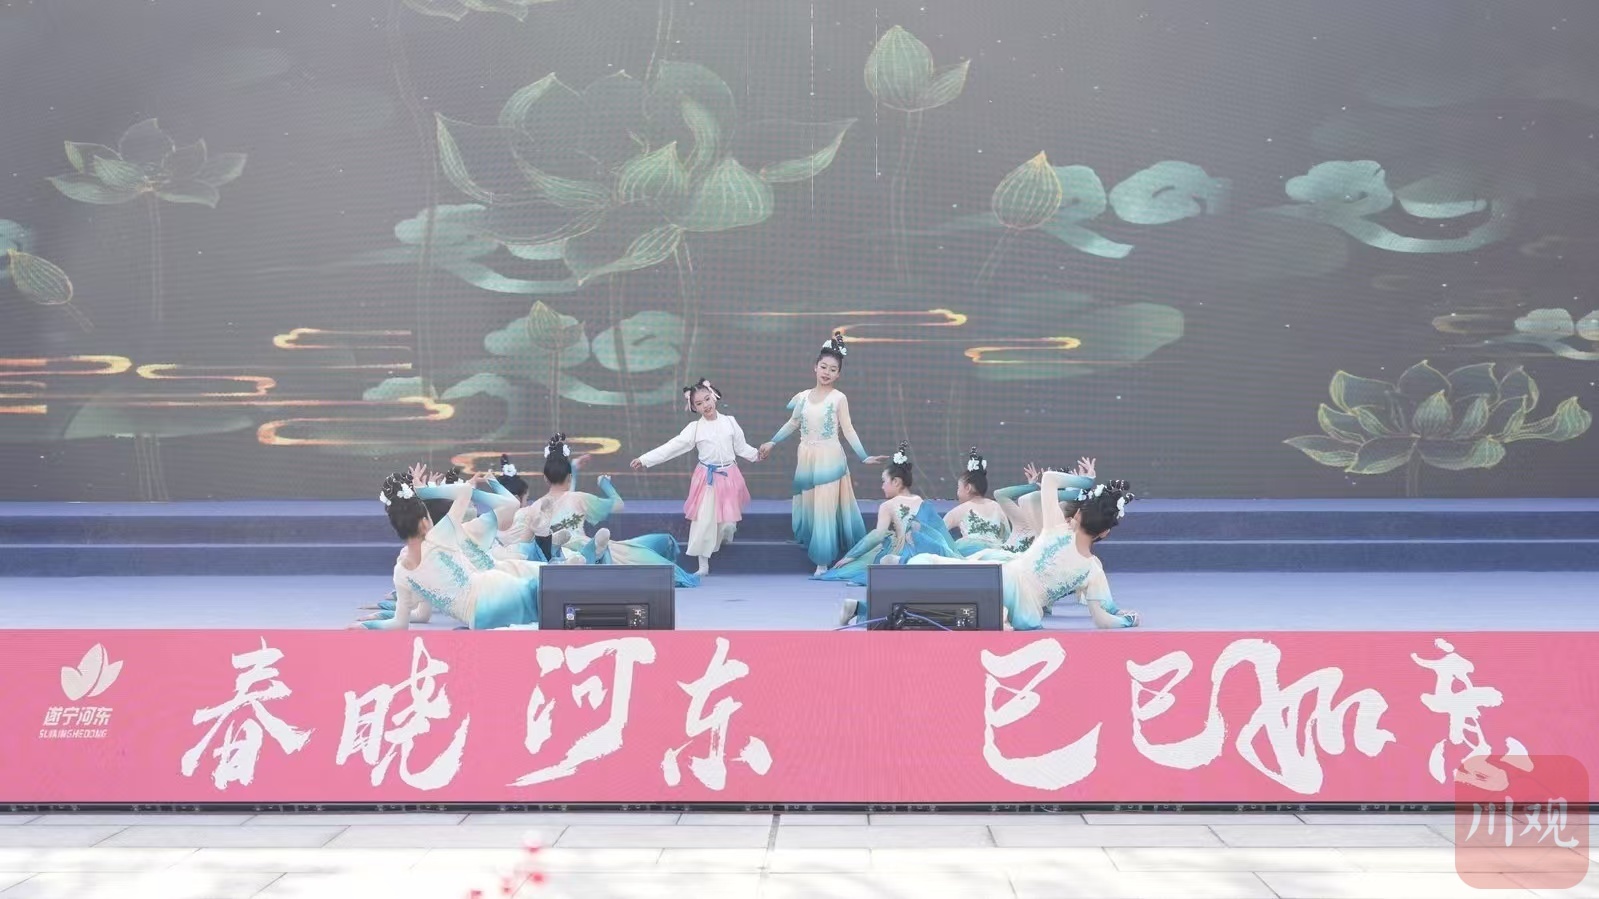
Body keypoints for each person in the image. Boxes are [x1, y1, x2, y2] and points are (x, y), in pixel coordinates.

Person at [844, 470, 1141, 631]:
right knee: (955, 614)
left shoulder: (1056, 529)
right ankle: (864, 610)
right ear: (1105, 532)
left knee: (933, 573)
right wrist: (1127, 619)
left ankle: (866, 609)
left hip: (1001, 576)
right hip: (1024, 607)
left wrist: (1087, 483)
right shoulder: (1093, 568)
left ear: (1078, 514)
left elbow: (1049, 478)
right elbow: (1103, 619)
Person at [358, 469, 565, 630]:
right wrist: (423, 492)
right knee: (563, 604)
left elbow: (400, 624)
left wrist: (367, 626)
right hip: (497, 589)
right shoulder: (441, 535)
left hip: (479, 619)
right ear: (424, 523)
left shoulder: (401, 572)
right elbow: (466, 491)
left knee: (554, 615)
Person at [759, 331, 888, 575]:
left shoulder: (839, 398)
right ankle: (816, 549)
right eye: (823, 367)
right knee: (810, 505)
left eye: (833, 369)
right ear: (815, 367)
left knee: (824, 508)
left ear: (838, 374)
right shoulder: (802, 397)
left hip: (829, 458)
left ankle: (822, 561)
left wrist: (864, 456)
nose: (827, 372)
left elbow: (848, 429)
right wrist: (773, 441)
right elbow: (793, 423)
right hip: (806, 456)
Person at [531, 434, 700, 587]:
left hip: (557, 553)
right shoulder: (579, 499)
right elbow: (618, 505)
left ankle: (576, 562)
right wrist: (605, 485)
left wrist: (573, 468)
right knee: (661, 542)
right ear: (569, 477)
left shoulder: (534, 507)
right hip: (586, 545)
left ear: (545, 477)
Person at [630, 378, 760, 577]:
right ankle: (703, 565)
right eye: (699, 403)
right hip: (707, 478)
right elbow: (672, 447)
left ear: (714, 397)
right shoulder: (695, 428)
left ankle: (726, 533)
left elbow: (742, 448)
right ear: (694, 408)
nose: (705, 405)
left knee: (727, 523)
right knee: (703, 521)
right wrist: (645, 459)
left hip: (729, 476)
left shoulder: (730, 422)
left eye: (707, 399)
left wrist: (757, 455)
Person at [816, 443, 960, 587]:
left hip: (903, 550)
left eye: (884, 481)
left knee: (876, 554)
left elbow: (877, 535)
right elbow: (937, 530)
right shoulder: (921, 502)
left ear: (896, 482)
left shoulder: (888, 506)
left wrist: (851, 556)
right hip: (927, 547)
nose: (882, 486)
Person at [944, 447, 1012, 554]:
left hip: (970, 555)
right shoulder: (997, 507)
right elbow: (1007, 537)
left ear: (967, 488)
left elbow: (937, 533)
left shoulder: (960, 510)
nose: (957, 492)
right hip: (997, 554)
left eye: (958, 488)